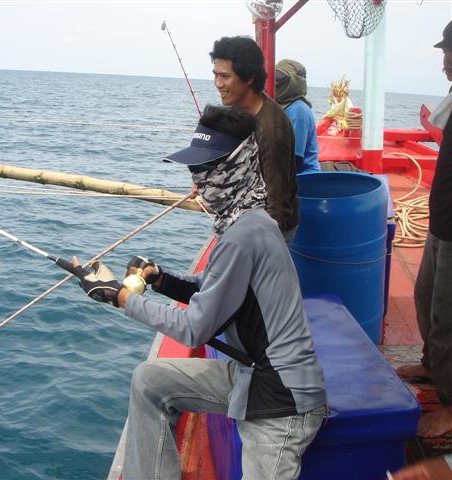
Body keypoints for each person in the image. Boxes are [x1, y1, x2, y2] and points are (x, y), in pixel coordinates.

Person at [72, 105, 326, 479]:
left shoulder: (245, 234)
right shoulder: (248, 221)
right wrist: (160, 279)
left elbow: (195, 329)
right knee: (149, 381)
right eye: (194, 170)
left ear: (237, 167)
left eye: (207, 169)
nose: (198, 181)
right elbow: (211, 287)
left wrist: (121, 297)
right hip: (250, 377)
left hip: (280, 400)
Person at [395, 20, 452, 438]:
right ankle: (434, 366)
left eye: (447, 52)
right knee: (425, 294)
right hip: (440, 220)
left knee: (447, 314)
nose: (444, 61)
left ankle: (450, 406)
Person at [209, 36, 299, 243]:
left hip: (266, 233)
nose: (218, 84)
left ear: (249, 77)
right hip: (242, 220)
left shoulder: (270, 130)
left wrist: (258, 249)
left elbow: (277, 207)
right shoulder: (241, 111)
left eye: (224, 76)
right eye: (215, 75)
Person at [275, 59, 321, 174]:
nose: (275, 82)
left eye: (280, 78)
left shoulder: (297, 110)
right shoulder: (280, 106)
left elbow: (294, 159)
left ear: (295, 83)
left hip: (303, 178)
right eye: (273, 77)